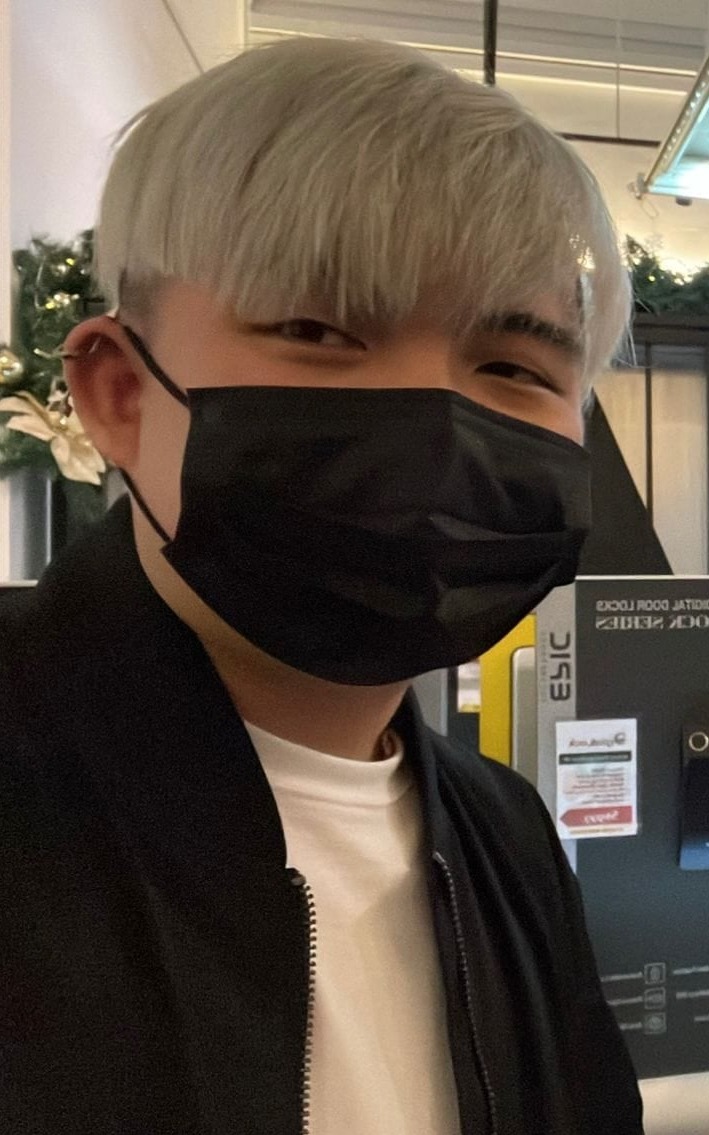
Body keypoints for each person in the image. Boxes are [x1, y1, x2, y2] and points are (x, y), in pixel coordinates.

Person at [0, 35, 643, 1135]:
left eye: (512, 366)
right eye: (317, 329)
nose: (433, 420)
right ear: (120, 395)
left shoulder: (508, 837)